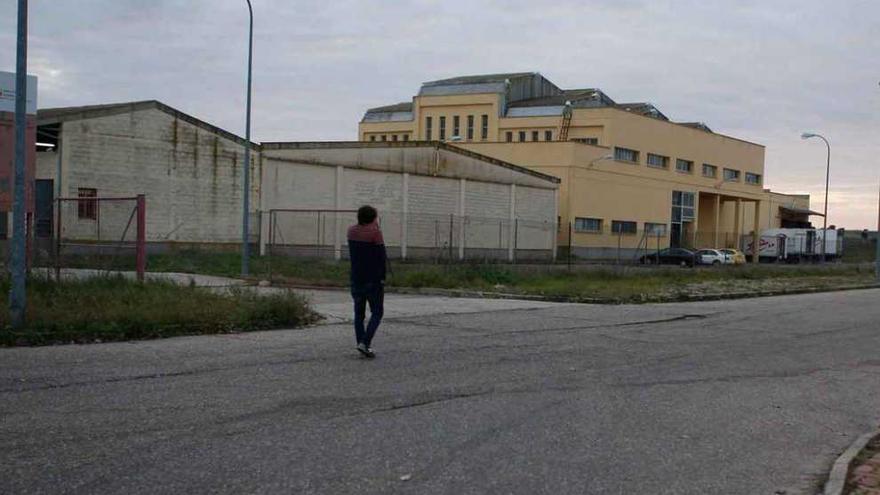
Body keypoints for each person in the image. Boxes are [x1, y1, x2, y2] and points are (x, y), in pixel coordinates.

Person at [347, 205, 386, 358]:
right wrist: (382, 277)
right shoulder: (375, 233)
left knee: (359, 313)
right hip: (373, 278)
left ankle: (360, 342)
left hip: (356, 277)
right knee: (377, 311)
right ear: (373, 218)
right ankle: (365, 342)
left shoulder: (351, 231)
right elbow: (381, 257)